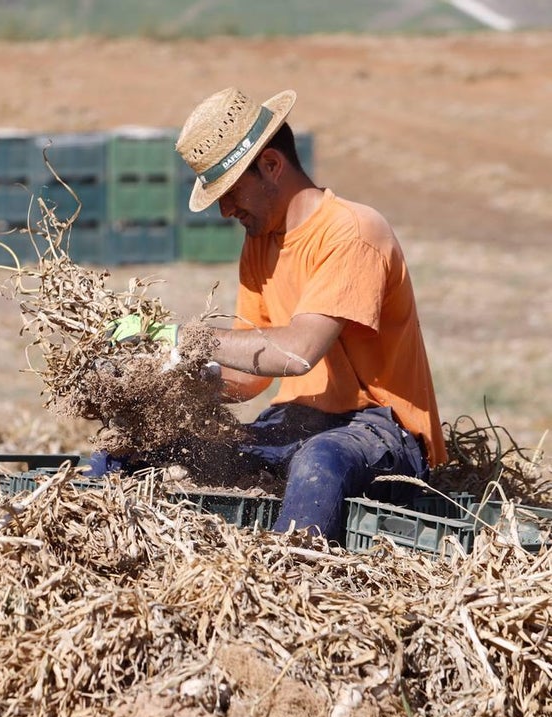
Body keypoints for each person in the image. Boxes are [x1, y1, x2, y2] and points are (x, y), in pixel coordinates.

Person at [155, 86, 447, 543]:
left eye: (230, 191)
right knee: (161, 448)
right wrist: (176, 381)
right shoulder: (259, 243)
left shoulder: (352, 232)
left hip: (382, 428)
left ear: (271, 165)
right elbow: (249, 375)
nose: (225, 210)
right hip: (296, 422)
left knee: (319, 462)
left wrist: (186, 337)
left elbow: (299, 351)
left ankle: (286, 574)